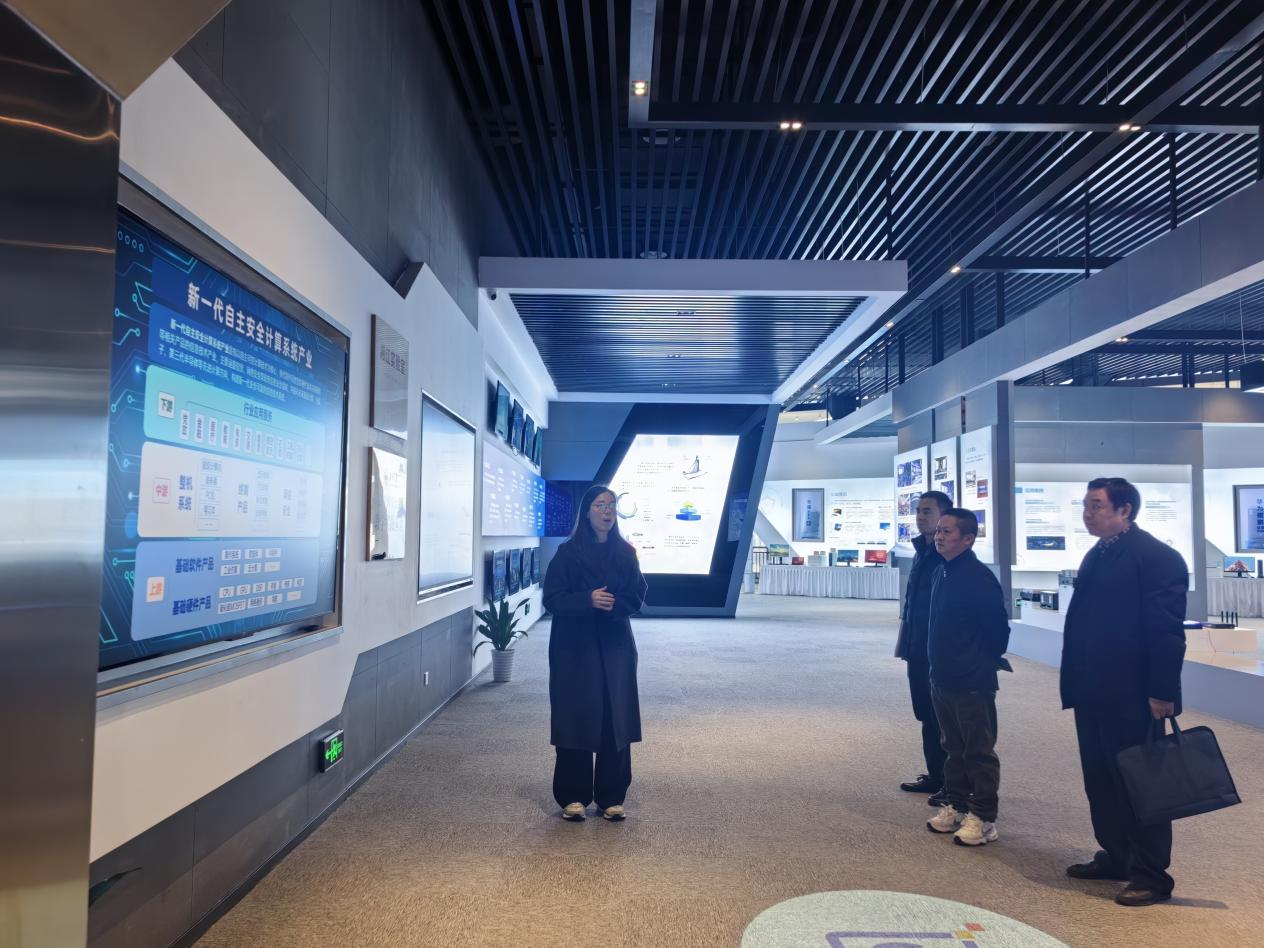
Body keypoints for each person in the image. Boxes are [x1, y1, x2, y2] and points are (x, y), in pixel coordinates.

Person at [1061, 477, 1187, 907]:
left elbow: (1165, 631)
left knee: (1140, 782)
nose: (1087, 513)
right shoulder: (1098, 552)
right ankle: (1117, 855)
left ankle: (1152, 875)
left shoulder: (1157, 558)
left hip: (1134, 694)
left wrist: (1162, 691)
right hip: (1093, 688)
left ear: (1125, 510)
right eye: (1085, 505)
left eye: (1096, 505)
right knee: (1100, 779)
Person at [542, 484, 648, 822]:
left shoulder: (626, 553)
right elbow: (552, 598)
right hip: (575, 648)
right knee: (576, 716)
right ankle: (573, 796)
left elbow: (638, 593)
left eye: (611, 505)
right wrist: (586, 600)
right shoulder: (567, 553)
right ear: (587, 512)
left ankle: (611, 796)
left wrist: (614, 604)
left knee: (614, 718)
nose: (607, 511)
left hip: (615, 647)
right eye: (600, 505)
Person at [924, 508, 1011, 847]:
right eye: (939, 531)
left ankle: (984, 817)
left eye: (947, 532)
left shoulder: (979, 578)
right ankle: (957, 805)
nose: (939, 537)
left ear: (968, 539)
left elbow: (997, 632)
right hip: (941, 676)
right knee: (953, 747)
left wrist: (976, 662)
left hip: (972, 679)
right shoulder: (941, 571)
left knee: (978, 751)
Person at [893, 490, 954, 807]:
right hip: (917, 646)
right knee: (926, 713)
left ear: (944, 516)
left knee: (944, 717)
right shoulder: (921, 552)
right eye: (918, 511)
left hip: (939, 651)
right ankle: (936, 775)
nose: (920, 517)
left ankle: (953, 783)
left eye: (927, 511)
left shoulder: (947, 557)